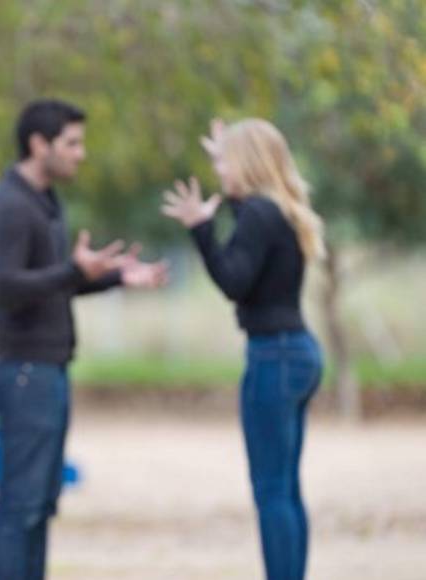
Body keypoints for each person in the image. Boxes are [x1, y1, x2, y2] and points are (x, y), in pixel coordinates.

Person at [0, 98, 168, 580]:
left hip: (49, 366)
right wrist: (72, 270)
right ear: (38, 144)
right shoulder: (10, 206)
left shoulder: (45, 201)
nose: (80, 154)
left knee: (41, 503)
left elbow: (55, 282)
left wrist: (117, 278)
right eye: (72, 143)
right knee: (20, 504)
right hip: (24, 369)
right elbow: (3, 289)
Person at [162, 118, 325, 580]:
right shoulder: (278, 211)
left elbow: (234, 280)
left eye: (224, 162)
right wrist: (224, 157)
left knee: (271, 491)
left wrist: (200, 229)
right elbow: (248, 246)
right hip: (299, 351)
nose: (218, 172)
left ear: (246, 164)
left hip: (273, 355)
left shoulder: (258, 214)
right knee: (287, 489)